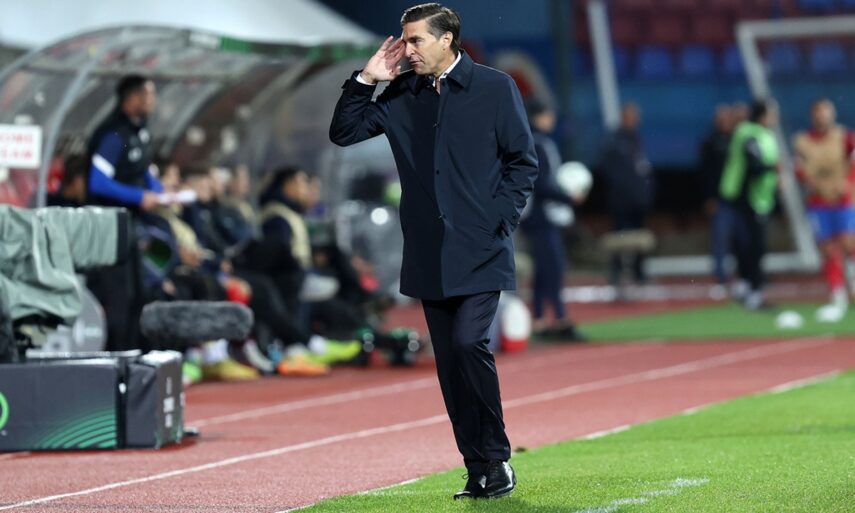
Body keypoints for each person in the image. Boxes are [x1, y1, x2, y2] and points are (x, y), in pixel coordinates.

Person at [329, 3, 537, 500]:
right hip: (428, 251)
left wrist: (498, 221)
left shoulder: (495, 87)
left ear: (447, 39)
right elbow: (344, 132)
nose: (407, 50)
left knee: (469, 344)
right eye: (404, 40)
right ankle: (477, 468)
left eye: (416, 40)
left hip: (481, 247)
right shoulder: (401, 92)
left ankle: (497, 458)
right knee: (448, 364)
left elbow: (522, 163)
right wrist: (367, 79)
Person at [85, 74, 163, 351]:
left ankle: (133, 354)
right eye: (147, 95)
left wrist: (161, 192)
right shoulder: (115, 133)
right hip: (109, 226)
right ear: (131, 98)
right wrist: (139, 196)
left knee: (139, 293)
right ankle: (115, 357)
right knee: (120, 296)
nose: (152, 101)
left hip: (132, 225)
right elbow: (97, 182)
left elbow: (142, 170)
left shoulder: (138, 131)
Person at [519, 98, 585, 341]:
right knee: (553, 267)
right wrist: (568, 197)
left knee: (543, 269)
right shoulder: (539, 144)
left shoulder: (531, 141)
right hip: (540, 216)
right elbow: (541, 185)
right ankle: (560, 318)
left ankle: (539, 320)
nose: (552, 119)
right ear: (540, 116)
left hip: (534, 215)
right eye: (549, 114)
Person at [793, 98, 855, 322]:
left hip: (843, 199)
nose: (822, 117)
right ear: (813, 116)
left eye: (826, 113)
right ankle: (837, 293)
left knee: (849, 243)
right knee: (828, 248)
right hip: (818, 201)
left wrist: (848, 182)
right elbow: (798, 167)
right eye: (819, 113)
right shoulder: (802, 141)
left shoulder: (844, 137)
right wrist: (805, 178)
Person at [719, 99, 780, 310]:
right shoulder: (750, 134)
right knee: (754, 245)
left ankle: (747, 286)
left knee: (748, 244)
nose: (775, 117)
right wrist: (774, 168)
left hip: (756, 197)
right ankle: (753, 291)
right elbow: (754, 165)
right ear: (763, 115)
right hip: (748, 196)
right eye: (772, 113)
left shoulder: (758, 133)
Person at [600, 103, 654, 290]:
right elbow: (610, 169)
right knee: (619, 236)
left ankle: (639, 273)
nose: (636, 120)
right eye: (632, 116)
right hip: (621, 199)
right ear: (624, 117)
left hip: (638, 199)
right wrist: (622, 189)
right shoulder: (615, 140)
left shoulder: (636, 139)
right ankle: (616, 272)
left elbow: (643, 169)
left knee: (639, 237)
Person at [699, 104, 739, 293]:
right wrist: (709, 197)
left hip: (738, 199)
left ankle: (743, 277)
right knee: (720, 240)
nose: (724, 122)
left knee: (741, 239)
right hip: (720, 200)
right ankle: (721, 278)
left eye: (727, 118)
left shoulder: (737, 140)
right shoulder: (710, 142)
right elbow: (705, 173)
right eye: (720, 118)